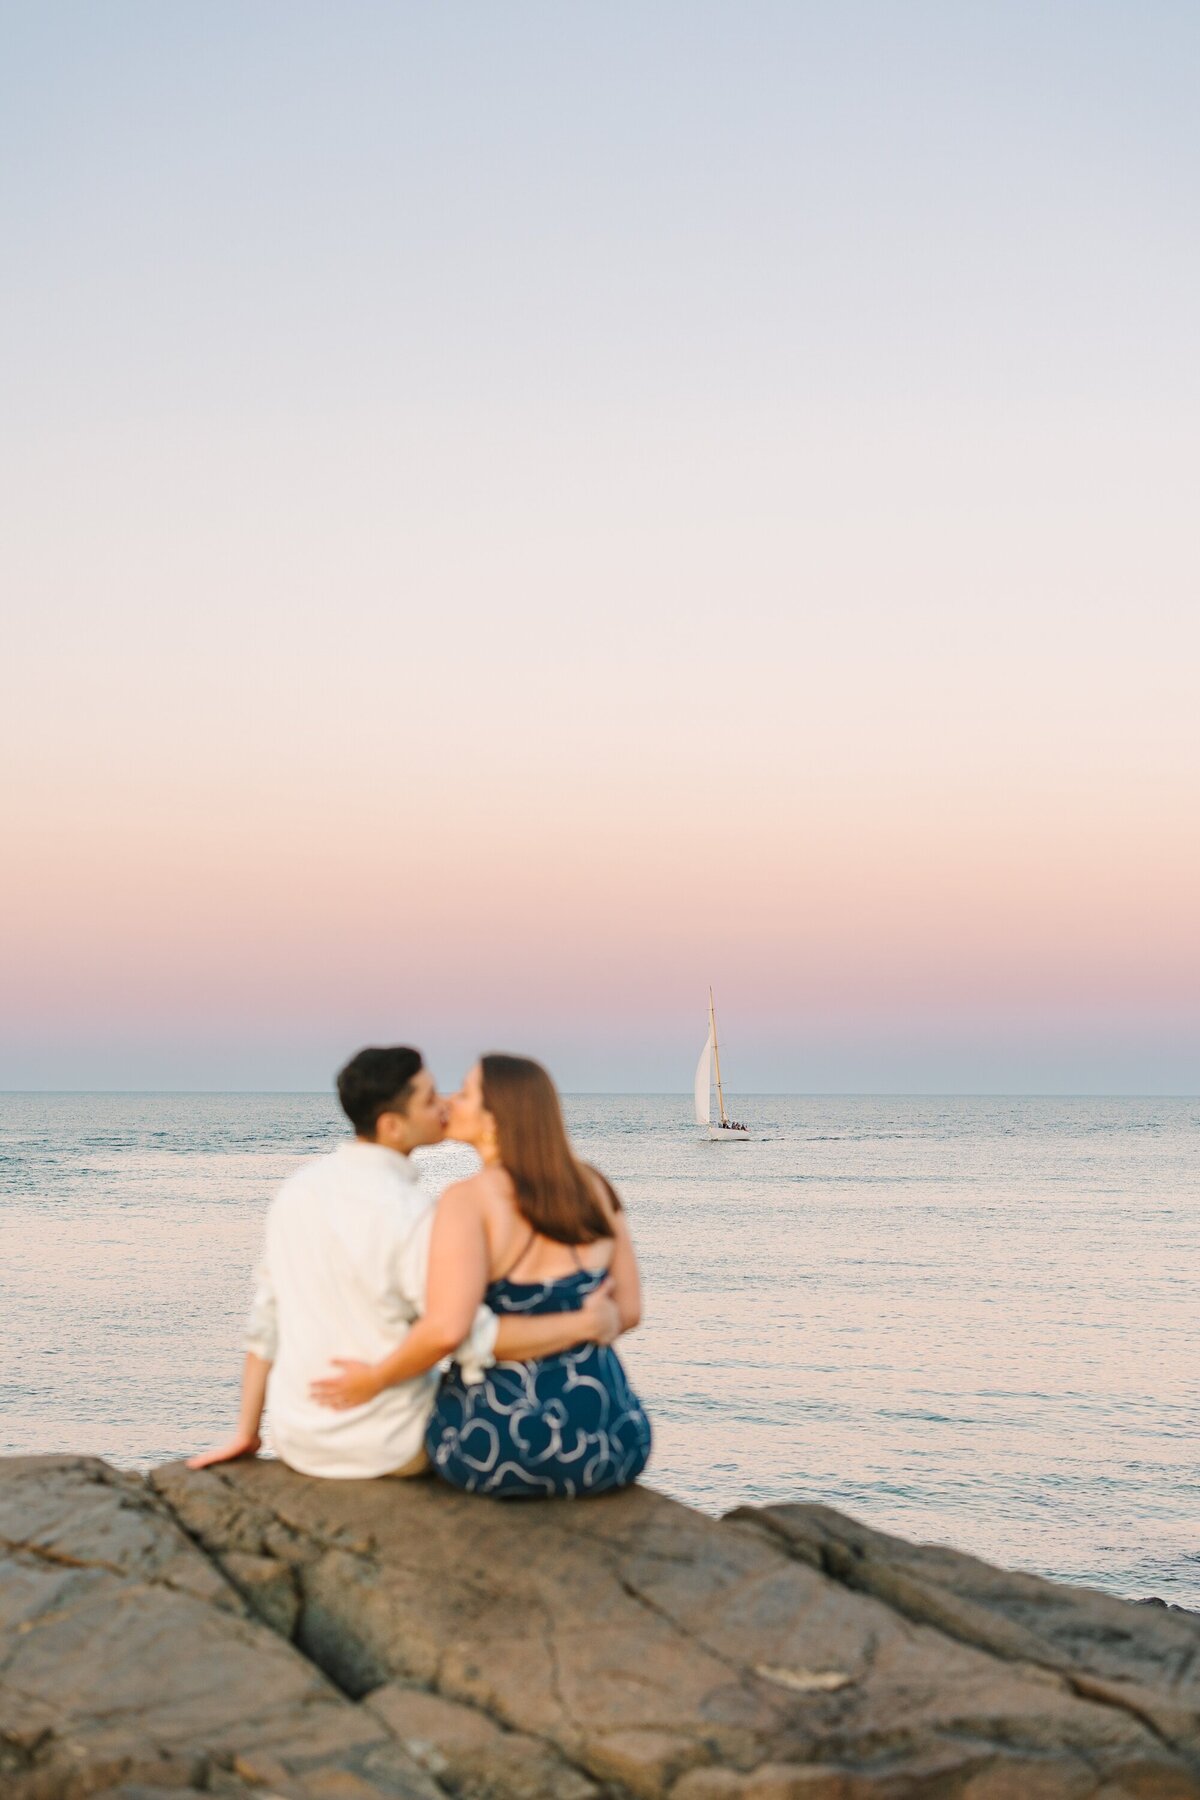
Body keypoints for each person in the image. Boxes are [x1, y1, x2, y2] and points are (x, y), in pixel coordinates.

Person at [188, 1047, 619, 1480]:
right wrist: (585, 1324)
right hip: (390, 1444)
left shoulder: (296, 1192)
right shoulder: (416, 1214)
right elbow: (460, 1333)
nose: (445, 1105)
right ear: (393, 1126)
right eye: (431, 1099)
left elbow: (266, 1321)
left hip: (297, 1438)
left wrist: (247, 1432)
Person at [311, 1053, 651, 1497]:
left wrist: (374, 1380)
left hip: (500, 1442)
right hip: (612, 1437)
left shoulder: (468, 1201)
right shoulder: (596, 1189)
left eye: (467, 1092)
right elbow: (627, 1312)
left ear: (495, 1119)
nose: (451, 1100)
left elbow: (449, 1333)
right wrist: (586, 1324)